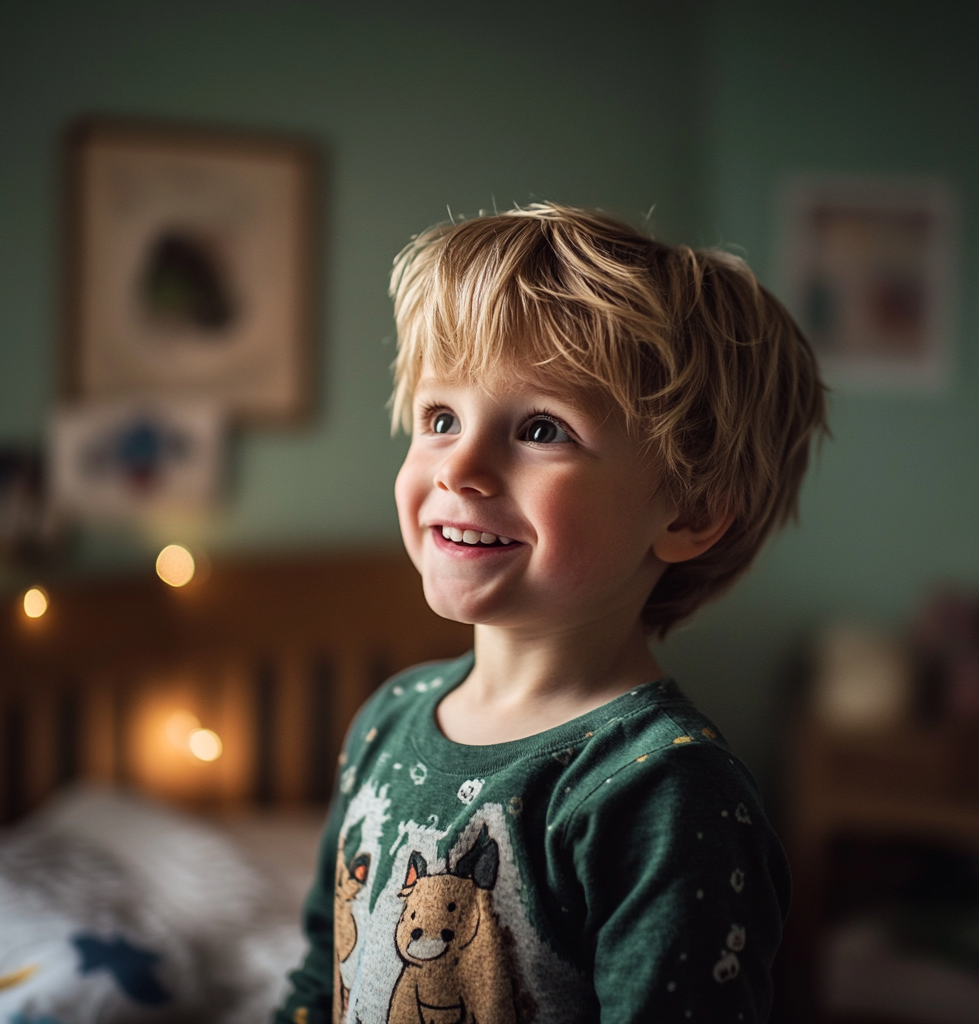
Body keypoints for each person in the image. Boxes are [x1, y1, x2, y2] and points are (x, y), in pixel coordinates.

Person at [274, 203, 827, 1024]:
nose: (459, 466)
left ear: (688, 512)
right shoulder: (386, 720)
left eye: (540, 428)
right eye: (440, 418)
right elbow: (325, 972)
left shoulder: (662, 795)